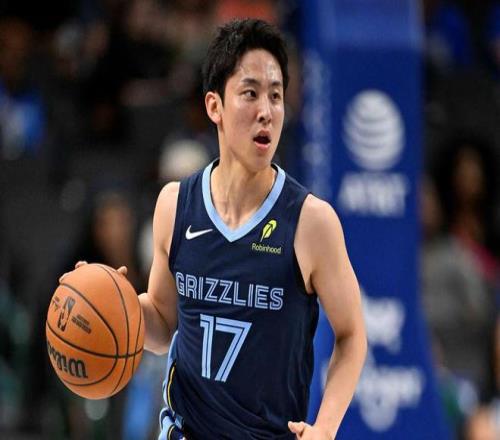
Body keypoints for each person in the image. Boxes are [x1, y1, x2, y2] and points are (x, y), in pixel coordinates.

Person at [71, 18, 367, 439]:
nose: (266, 111)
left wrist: (326, 428)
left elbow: (352, 334)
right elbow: (163, 321)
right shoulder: (175, 205)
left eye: (276, 96)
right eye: (250, 93)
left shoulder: (311, 222)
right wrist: (113, 303)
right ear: (215, 107)